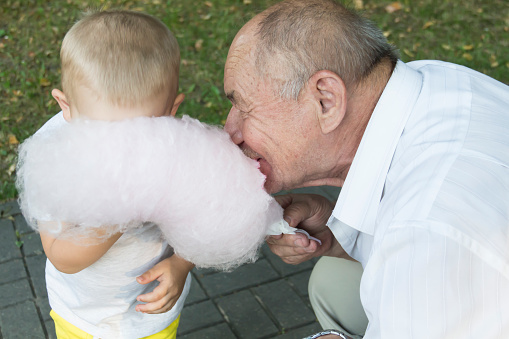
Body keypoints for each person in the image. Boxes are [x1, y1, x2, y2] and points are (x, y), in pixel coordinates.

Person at [223, 0, 509, 338]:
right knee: (336, 282)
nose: (230, 132)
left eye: (243, 107)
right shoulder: (434, 79)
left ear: (326, 100)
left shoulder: (427, 231)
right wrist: (339, 229)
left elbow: (426, 232)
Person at [35, 10, 192, 338]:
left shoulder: (180, 147)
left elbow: (203, 217)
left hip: (151, 316)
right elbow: (60, 254)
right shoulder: (52, 156)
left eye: (139, 132)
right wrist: (118, 217)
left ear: (170, 110)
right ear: (66, 106)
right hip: (81, 318)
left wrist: (181, 264)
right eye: (104, 133)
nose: (123, 149)